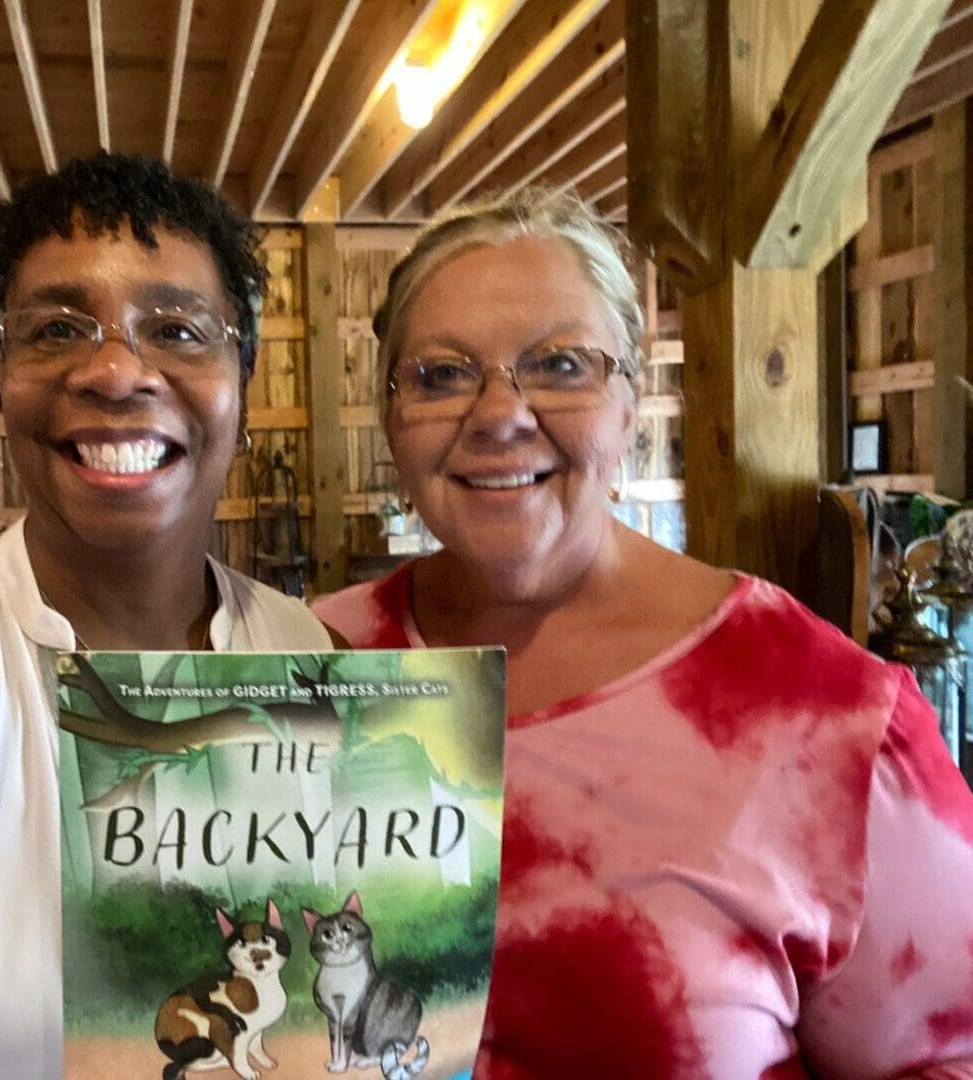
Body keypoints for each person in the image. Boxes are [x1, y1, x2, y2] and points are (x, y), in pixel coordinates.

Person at [313, 188, 973, 1078]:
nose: (500, 413)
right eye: (441, 374)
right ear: (393, 422)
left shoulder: (824, 712)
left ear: (630, 406)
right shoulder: (308, 664)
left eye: (560, 366)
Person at [0, 152, 336, 1079]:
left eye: (177, 329)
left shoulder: (309, 654)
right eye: (56, 328)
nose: (114, 370)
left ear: (242, 377)